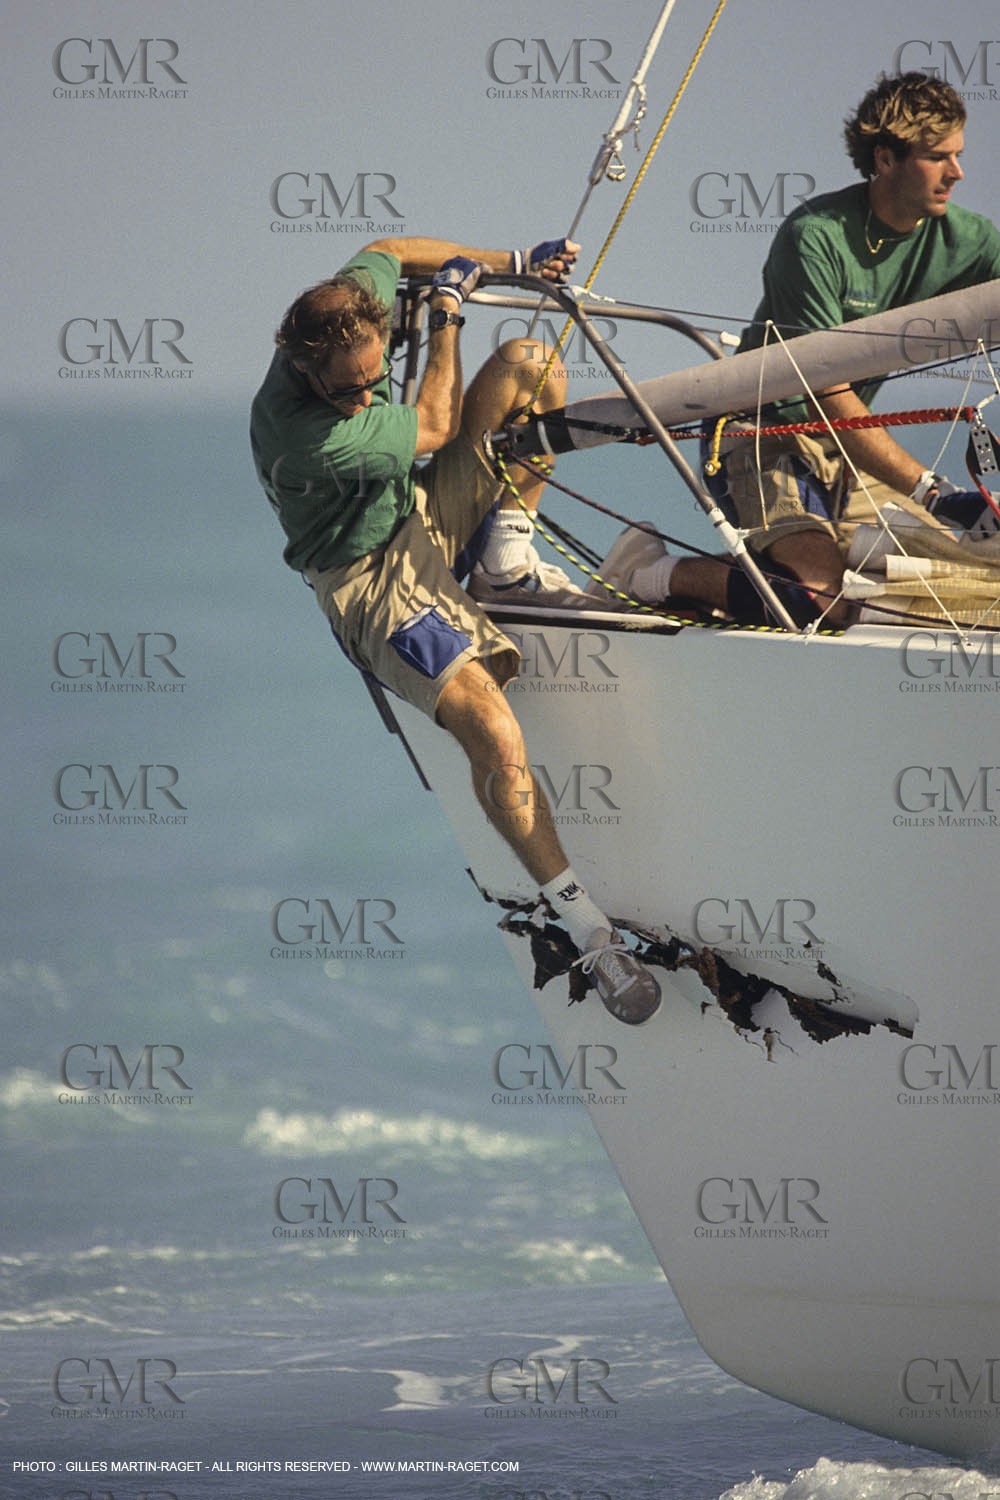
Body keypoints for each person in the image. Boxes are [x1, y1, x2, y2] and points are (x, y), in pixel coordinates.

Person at [250, 235, 660, 1024]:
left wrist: (506, 259)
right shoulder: (312, 434)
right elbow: (434, 424)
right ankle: (590, 929)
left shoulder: (349, 307)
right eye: (349, 392)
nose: (365, 399)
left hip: (418, 516)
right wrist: (446, 312)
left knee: (530, 363)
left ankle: (503, 557)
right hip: (373, 584)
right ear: (305, 371)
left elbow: (387, 247)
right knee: (497, 736)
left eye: (373, 380)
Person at [599, 72, 1000, 625]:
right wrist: (934, 494)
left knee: (973, 576)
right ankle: (648, 574)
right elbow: (823, 393)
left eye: (957, 155)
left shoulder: (969, 240)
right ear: (885, 160)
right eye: (938, 157)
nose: (958, 172)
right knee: (824, 603)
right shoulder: (815, 236)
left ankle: (765, 573)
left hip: (843, 451)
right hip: (761, 432)